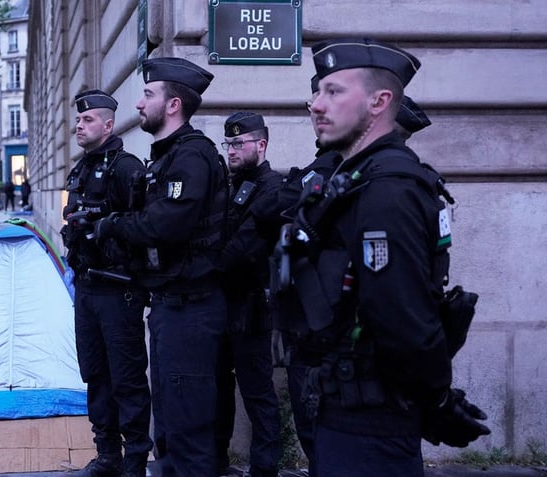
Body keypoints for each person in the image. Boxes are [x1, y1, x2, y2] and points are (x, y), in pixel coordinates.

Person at [276, 38, 490, 476]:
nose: (317, 104)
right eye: (318, 92)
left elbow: (401, 317)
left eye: (334, 91)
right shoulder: (353, 178)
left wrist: (437, 400)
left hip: (372, 424)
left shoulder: (388, 188)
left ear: (380, 101)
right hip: (345, 410)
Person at [95, 57, 229, 477]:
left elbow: (168, 223)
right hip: (172, 306)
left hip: (193, 308)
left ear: (173, 105)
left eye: (148, 94)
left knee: (188, 428)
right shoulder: (168, 156)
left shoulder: (192, 156)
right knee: (170, 424)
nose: (138, 104)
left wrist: (115, 224)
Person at [61, 89, 152, 477]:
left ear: (109, 125)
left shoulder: (126, 168)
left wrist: (106, 230)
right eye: (78, 121)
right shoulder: (81, 169)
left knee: (126, 378)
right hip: (87, 288)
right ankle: (107, 455)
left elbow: (145, 227)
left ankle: (135, 461)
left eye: (88, 120)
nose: (79, 126)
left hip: (119, 289)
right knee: (95, 373)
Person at [214, 113, 283, 477]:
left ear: (261, 144)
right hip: (222, 304)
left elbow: (244, 246)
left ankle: (264, 469)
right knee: (219, 389)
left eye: (239, 143)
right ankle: (218, 463)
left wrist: (209, 264)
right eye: (229, 144)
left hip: (253, 307)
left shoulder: (273, 186)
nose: (232, 150)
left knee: (258, 395)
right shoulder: (228, 186)